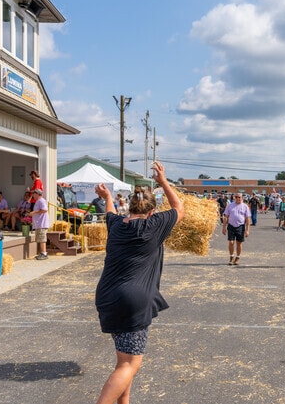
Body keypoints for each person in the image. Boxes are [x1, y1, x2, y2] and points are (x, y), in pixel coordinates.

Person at [94, 161, 184, 404]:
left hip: (107, 297)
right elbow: (179, 208)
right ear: (152, 212)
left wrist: (107, 196)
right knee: (130, 364)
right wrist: (163, 181)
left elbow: (110, 212)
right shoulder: (152, 227)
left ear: (129, 208)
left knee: (124, 360)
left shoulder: (116, 225)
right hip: (132, 301)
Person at [222, 193, 251, 265]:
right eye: (236, 197)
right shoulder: (230, 206)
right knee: (231, 242)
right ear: (234, 198)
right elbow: (226, 217)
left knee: (239, 243)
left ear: (242, 198)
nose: (238, 198)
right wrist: (224, 227)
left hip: (240, 226)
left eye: (239, 197)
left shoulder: (245, 206)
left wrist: (247, 230)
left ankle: (237, 258)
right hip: (231, 226)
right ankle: (231, 257)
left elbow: (247, 219)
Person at [30, 188, 50, 260]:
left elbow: (44, 210)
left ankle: (43, 254)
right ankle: (42, 253)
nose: (32, 195)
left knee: (42, 239)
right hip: (40, 224)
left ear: (37, 194)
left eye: (33, 194)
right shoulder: (39, 201)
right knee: (41, 239)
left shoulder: (41, 201)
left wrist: (34, 212)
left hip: (42, 224)